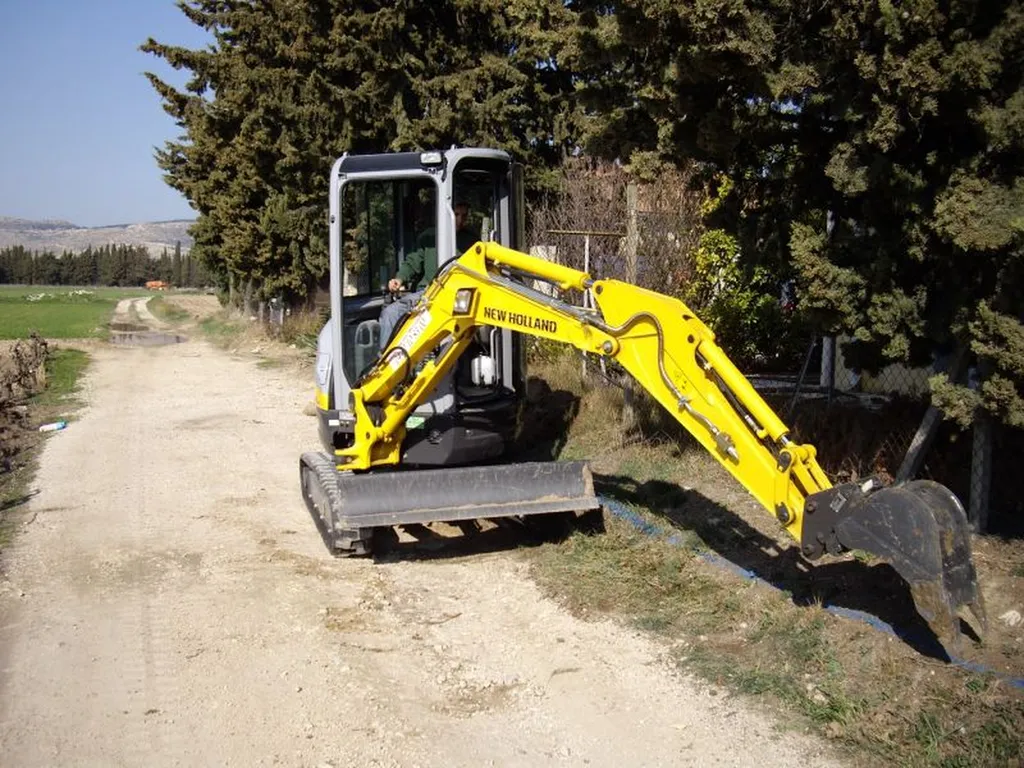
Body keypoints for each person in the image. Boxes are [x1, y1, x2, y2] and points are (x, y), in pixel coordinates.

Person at [378, 201, 475, 349]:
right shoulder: (428, 237)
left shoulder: (472, 241)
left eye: (464, 216)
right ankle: (386, 360)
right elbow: (412, 262)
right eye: (456, 215)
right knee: (390, 313)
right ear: (446, 214)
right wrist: (399, 278)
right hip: (427, 294)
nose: (460, 220)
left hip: (459, 297)